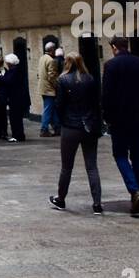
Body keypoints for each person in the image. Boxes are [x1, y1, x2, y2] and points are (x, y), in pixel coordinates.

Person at [101, 37, 139, 217]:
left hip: (119, 119)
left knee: (119, 154)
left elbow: (107, 94)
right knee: (137, 156)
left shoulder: (111, 66)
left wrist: (107, 117)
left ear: (113, 47)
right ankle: (138, 192)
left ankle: (134, 191)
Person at [50, 54, 103, 213]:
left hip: (70, 127)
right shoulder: (90, 79)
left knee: (67, 167)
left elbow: (59, 105)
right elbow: (96, 103)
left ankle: (61, 199)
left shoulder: (62, 80)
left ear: (67, 63)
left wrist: (62, 121)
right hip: (88, 126)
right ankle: (97, 203)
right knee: (92, 166)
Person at [1, 53, 29, 142]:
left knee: (15, 118)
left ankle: (17, 135)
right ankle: (19, 135)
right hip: (18, 97)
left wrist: (1, 77)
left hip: (15, 98)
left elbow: (8, 81)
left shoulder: (14, 71)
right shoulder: (18, 70)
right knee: (17, 118)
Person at [37, 41, 61, 136]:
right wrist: (57, 86)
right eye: (54, 50)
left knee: (52, 109)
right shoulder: (51, 60)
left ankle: (57, 127)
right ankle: (44, 129)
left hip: (43, 88)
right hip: (49, 89)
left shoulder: (42, 58)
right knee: (48, 109)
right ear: (52, 50)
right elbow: (52, 76)